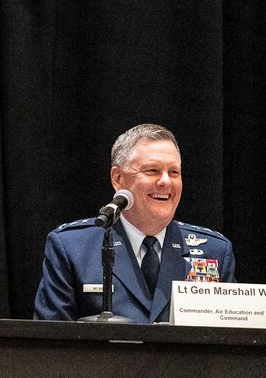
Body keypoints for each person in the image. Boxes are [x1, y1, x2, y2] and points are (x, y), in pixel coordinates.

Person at [33, 123, 235, 323]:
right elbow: (52, 344)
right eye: (152, 170)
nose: (166, 181)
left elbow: (232, 343)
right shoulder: (72, 248)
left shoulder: (214, 251)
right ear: (118, 178)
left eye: (174, 172)